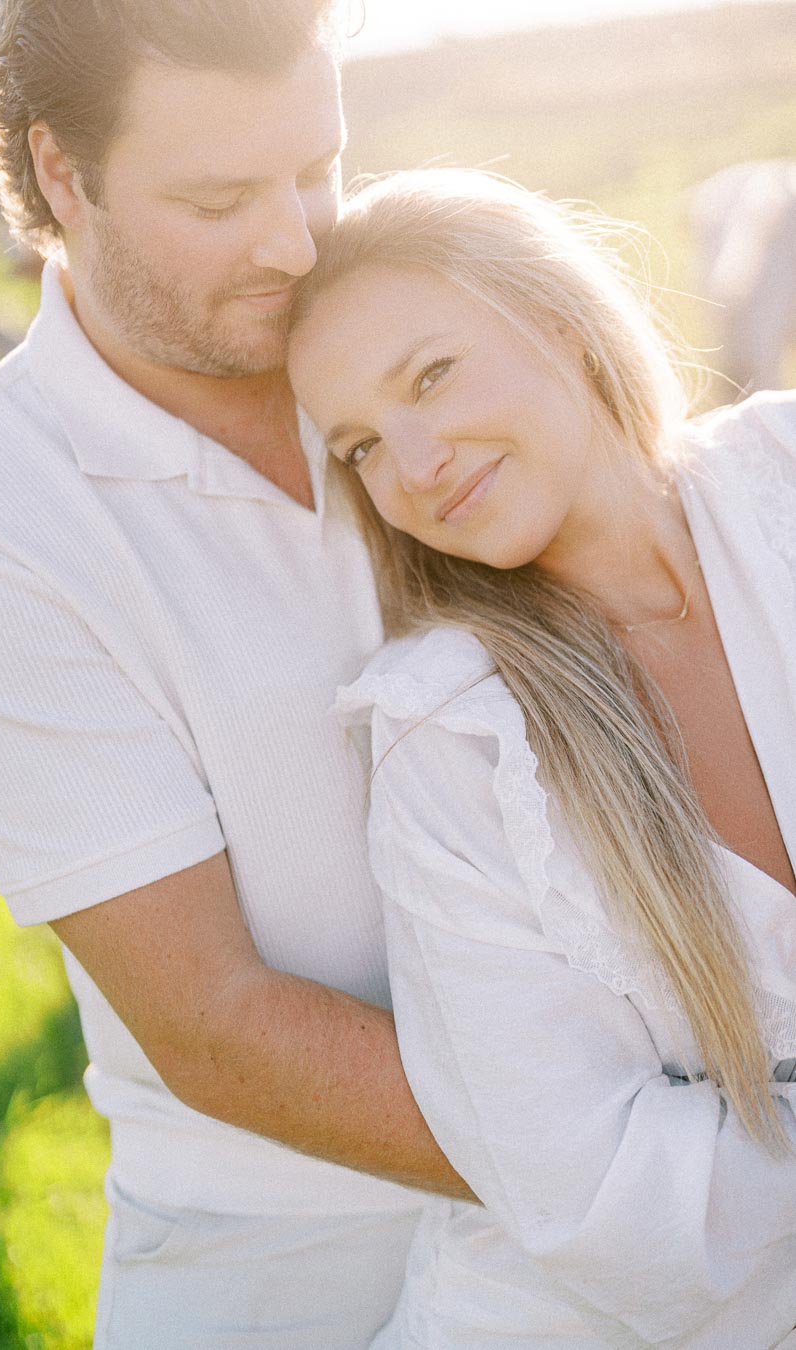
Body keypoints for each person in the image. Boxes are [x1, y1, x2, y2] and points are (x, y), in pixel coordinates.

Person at [0, 8, 478, 1348]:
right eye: (219, 198)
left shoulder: (431, 323)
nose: (298, 241)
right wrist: (631, 1158)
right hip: (289, 1261)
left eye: (318, 166)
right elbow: (216, 1022)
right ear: (61, 173)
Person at [288, 168, 796, 1348]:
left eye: (432, 374)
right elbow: (597, 1201)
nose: (413, 465)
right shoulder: (452, 741)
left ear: (560, 320)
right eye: (361, 444)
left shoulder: (782, 480)